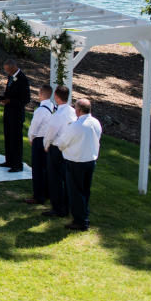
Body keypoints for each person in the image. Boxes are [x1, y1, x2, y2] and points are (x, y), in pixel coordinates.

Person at [55, 98, 102, 231]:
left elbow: (62, 143)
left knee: (75, 191)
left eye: (75, 108)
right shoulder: (96, 123)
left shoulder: (76, 126)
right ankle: (83, 213)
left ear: (79, 111)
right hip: (90, 161)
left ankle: (80, 220)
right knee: (85, 190)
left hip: (76, 161)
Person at [42, 86, 77, 218]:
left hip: (57, 148)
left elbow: (50, 133)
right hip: (69, 148)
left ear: (56, 97)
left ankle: (57, 208)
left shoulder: (58, 115)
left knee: (55, 179)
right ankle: (66, 205)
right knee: (65, 177)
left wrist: (46, 145)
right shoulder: (73, 112)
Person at [0, 59, 31, 172]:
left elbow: (25, 99)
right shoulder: (11, 77)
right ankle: (9, 160)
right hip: (8, 112)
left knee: (16, 140)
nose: (7, 72)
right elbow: (9, 92)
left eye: (8, 70)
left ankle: (17, 164)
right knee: (8, 137)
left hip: (17, 114)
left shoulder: (22, 79)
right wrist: (3, 97)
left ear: (13, 67)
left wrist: (10, 101)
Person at [24, 85, 56, 206]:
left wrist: (31, 137)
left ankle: (38, 196)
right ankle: (47, 192)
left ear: (41, 94)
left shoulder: (40, 110)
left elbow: (34, 127)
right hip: (50, 139)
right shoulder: (54, 107)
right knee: (46, 167)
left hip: (39, 139)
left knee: (37, 169)